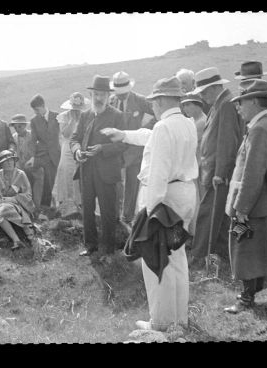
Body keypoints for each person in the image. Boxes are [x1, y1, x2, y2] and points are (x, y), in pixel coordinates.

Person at [102, 76, 198, 330]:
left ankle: (161, 322)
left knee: (157, 261)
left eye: (155, 101)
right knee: (176, 259)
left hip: (164, 199)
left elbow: (158, 173)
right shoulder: (186, 124)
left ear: (164, 100)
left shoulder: (164, 127)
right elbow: (151, 136)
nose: (152, 106)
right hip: (185, 193)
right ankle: (179, 319)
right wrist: (123, 134)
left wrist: (148, 211)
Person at [224, 79, 267, 313]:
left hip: (251, 203)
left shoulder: (259, 129)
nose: (238, 107)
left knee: (244, 248)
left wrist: (241, 208)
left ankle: (246, 299)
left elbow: (252, 173)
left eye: (241, 103)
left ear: (254, 101)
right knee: (263, 248)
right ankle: (259, 290)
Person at [189, 67, 246, 268]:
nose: (203, 97)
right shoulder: (220, 104)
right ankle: (220, 254)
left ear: (215, 87)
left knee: (209, 214)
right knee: (220, 215)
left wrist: (221, 173)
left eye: (204, 92)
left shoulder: (225, 105)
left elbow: (227, 141)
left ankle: (199, 256)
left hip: (218, 174)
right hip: (214, 172)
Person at [70, 75, 127, 263]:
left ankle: (109, 249)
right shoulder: (86, 115)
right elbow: (74, 138)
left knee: (108, 211)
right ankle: (90, 246)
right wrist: (77, 150)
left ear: (108, 95)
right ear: (91, 94)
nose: (99, 98)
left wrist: (102, 149)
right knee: (87, 210)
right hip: (86, 170)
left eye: (102, 94)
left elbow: (123, 144)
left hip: (107, 171)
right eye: (96, 94)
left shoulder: (117, 116)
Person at [109, 71, 155, 224]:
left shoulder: (140, 100)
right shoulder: (111, 100)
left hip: (135, 149)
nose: (120, 96)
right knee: (115, 181)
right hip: (117, 149)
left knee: (132, 183)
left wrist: (145, 129)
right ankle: (115, 216)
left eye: (123, 93)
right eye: (118, 93)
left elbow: (157, 113)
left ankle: (127, 217)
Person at [0, 150, 36, 250]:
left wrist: (13, 198)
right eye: (6, 161)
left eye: (11, 160)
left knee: (2, 210)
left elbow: (28, 195)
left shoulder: (21, 174)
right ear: (1, 164)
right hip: (0, 204)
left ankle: (17, 240)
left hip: (18, 205)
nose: (9, 163)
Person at [53, 92, 89, 218]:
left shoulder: (85, 116)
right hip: (67, 147)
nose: (76, 111)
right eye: (74, 109)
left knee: (79, 173)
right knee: (66, 172)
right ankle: (66, 202)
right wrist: (72, 121)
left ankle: (80, 203)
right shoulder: (64, 116)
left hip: (80, 146)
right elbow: (65, 134)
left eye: (78, 109)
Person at [180, 92, 207, 236]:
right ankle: (194, 231)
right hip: (194, 164)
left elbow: (190, 144)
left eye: (189, 104)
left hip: (199, 165)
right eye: (184, 105)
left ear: (198, 105)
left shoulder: (201, 122)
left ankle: (197, 232)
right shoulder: (192, 120)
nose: (185, 108)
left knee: (197, 198)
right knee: (193, 198)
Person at [28, 94, 61, 211]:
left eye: (37, 109)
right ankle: (46, 208)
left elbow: (62, 135)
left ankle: (59, 207)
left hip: (57, 155)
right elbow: (32, 140)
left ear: (43, 106)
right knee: (47, 181)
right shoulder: (34, 121)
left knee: (57, 181)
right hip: (43, 156)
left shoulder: (57, 116)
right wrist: (32, 156)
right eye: (34, 110)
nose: (36, 112)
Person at [10, 114, 45, 214]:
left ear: (25, 126)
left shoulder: (32, 135)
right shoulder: (14, 137)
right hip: (20, 166)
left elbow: (39, 151)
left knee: (39, 175)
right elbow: (12, 150)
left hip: (33, 165)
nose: (17, 129)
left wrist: (34, 161)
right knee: (18, 180)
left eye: (19, 126)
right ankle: (23, 207)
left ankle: (37, 206)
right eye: (15, 127)